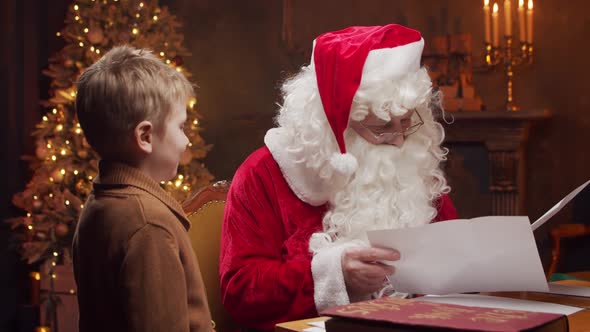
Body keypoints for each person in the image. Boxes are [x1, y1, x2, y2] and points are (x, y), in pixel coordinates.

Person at [219, 24, 458, 331]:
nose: (399, 140)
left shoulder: (413, 162)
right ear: (335, 126)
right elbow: (241, 290)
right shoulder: (264, 173)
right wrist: (334, 272)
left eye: (407, 122)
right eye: (383, 127)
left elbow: (453, 261)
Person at [72, 45, 213, 332]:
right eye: (181, 127)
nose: (186, 141)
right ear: (145, 136)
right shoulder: (149, 225)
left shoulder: (102, 201)